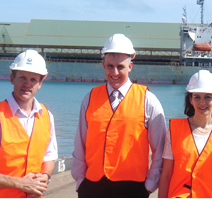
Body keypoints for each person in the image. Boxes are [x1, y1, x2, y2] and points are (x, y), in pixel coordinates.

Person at [71, 33, 167, 198]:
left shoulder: (148, 100)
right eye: (110, 66)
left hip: (132, 189)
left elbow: (160, 148)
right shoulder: (90, 98)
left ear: (130, 66)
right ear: (103, 65)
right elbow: (80, 144)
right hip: (92, 188)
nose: (114, 72)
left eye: (120, 67)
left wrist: (150, 185)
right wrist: (81, 182)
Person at [0, 50, 58, 198]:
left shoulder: (47, 116)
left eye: (33, 79)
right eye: (22, 77)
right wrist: (18, 183)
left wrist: (46, 175)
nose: (27, 84)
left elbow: (49, 157)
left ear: (40, 83)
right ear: (12, 78)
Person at [158, 70, 212, 198]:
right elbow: (166, 176)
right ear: (190, 99)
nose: (202, 103)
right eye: (197, 97)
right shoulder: (174, 129)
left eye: (207, 97)